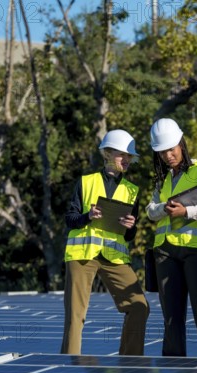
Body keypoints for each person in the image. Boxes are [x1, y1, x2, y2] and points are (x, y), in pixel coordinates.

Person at [61, 129, 150, 356]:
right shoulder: (85, 182)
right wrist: (86, 217)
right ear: (107, 154)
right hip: (82, 255)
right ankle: (68, 366)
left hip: (114, 256)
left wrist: (131, 227)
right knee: (75, 316)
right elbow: (69, 219)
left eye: (130, 156)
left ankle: (130, 362)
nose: (127, 159)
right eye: (123, 155)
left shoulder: (133, 191)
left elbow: (129, 235)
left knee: (139, 307)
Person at [146, 118, 197, 357]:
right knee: (171, 318)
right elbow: (151, 211)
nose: (168, 155)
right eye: (162, 152)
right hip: (166, 252)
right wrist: (164, 208)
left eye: (171, 149)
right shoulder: (162, 180)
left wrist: (186, 212)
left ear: (181, 144)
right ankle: (172, 369)